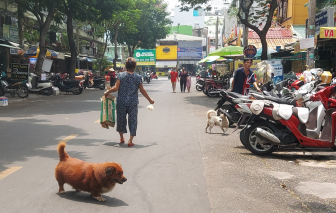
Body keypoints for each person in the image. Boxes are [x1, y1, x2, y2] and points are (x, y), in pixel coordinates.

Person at [104, 57, 154, 147]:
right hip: (132, 103)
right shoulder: (138, 77)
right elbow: (142, 91)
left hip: (121, 101)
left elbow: (116, 88)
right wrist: (150, 100)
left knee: (121, 120)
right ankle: (130, 140)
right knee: (133, 120)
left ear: (126, 66)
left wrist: (107, 92)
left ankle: (122, 137)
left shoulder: (120, 75)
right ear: (134, 67)